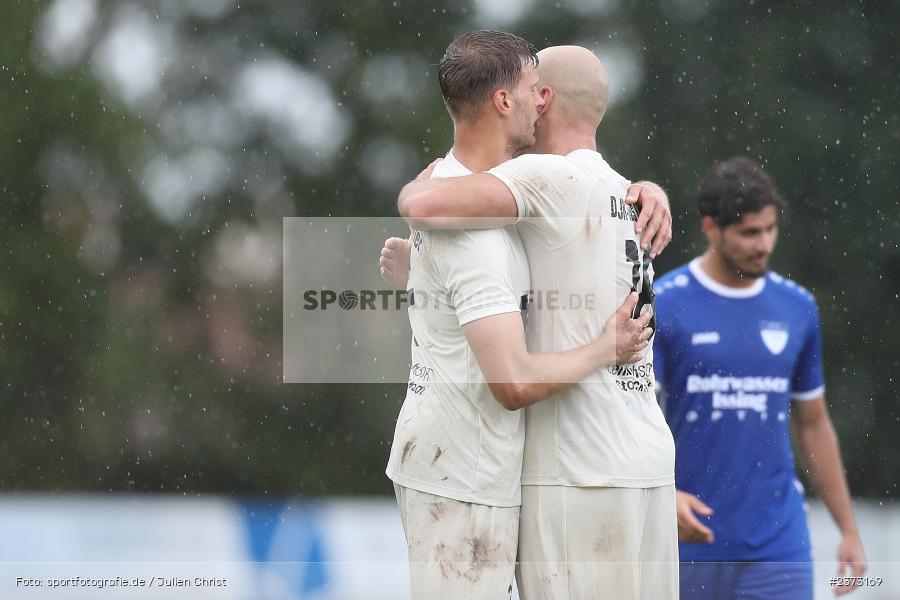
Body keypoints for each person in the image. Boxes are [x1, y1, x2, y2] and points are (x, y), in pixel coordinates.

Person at [383, 32, 667, 600]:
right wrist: (606, 346)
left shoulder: (526, 195)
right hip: (475, 469)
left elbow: (429, 209)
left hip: (547, 467)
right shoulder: (520, 208)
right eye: (529, 88)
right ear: (506, 103)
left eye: (544, 90)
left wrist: (416, 204)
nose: (539, 102)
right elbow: (510, 378)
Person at [652, 156, 867, 599]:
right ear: (711, 228)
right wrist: (662, 494)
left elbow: (812, 422)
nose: (764, 244)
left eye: (770, 229)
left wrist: (848, 529)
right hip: (688, 540)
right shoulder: (666, 303)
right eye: (750, 232)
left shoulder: (798, 307)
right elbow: (636, 418)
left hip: (778, 543)